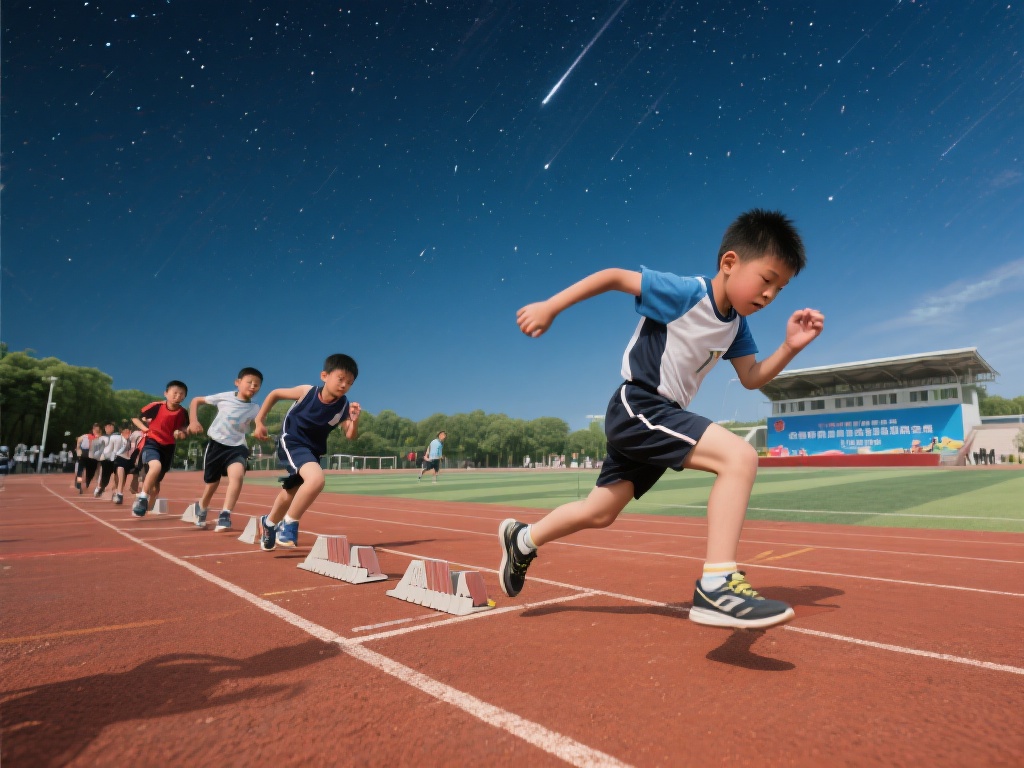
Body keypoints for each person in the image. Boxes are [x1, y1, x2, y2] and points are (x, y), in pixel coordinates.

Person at [500, 209, 825, 629]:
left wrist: (790, 347)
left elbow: (751, 377)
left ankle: (522, 540)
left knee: (600, 512)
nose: (769, 295)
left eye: (779, 289)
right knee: (739, 458)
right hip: (639, 403)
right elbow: (615, 276)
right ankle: (718, 584)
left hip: (661, 416)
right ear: (730, 263)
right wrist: (551, 306)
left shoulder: (737, 328)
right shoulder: (686, 293)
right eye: (766, 280)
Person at [251, 354, 361, 551]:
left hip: (313, 451)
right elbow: (275, 394)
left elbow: (350, 435)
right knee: (316, 479)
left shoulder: (343, 406)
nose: (344, 385)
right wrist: (260, 421)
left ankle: (268, 523)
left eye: (350, 383)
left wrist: (354, 420)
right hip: (291, 441)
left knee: (291, 491)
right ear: (324, 376)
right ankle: (289, 525)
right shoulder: (307, 392)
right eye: (341, 379)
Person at [186, 367, 264, 531]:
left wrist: (259, 428)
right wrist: (193, 421)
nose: (252, 387)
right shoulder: (224, 397)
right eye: (249, 382)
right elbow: (195, 401)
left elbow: (258, 422)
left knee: (237, 476)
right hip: (216, 445)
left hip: (237, 447)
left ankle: (225, 514)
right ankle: (202, 506)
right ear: (237, 383)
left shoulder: (255, 408)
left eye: (256, 385)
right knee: (212, 484)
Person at [131, 381, 190, 517]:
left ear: (184, 397)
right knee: (155, 467)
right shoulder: (156, 406)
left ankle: (148, 506)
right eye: (174, 392)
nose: (177, 396)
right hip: (152, 443)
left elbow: (184, 429)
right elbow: (135, 417)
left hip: (168, 447)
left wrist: (181, 433)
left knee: (156, 485)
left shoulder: (183, 413)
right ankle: (142, 499)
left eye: (181, 394)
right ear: (166, 393)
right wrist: (145, 429)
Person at [94, 422, 122, 498]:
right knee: (105, 477)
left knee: (117, 474)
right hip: (106, 460)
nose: (109, 428)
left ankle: (116, 491)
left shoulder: (117, 436)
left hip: (116, 459)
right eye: (107, 426)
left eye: (111, 426)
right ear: (105, 428)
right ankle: (101, 487)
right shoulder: (102, 438)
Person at [75, 425, 102, 494]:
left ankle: (81, 484)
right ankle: (81, 484)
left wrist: (78, 451)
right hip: (88, 455)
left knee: (82, 472)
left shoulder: (85, 436)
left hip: (87, 456)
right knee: (83, 472)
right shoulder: (98, 437)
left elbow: (78, 442)